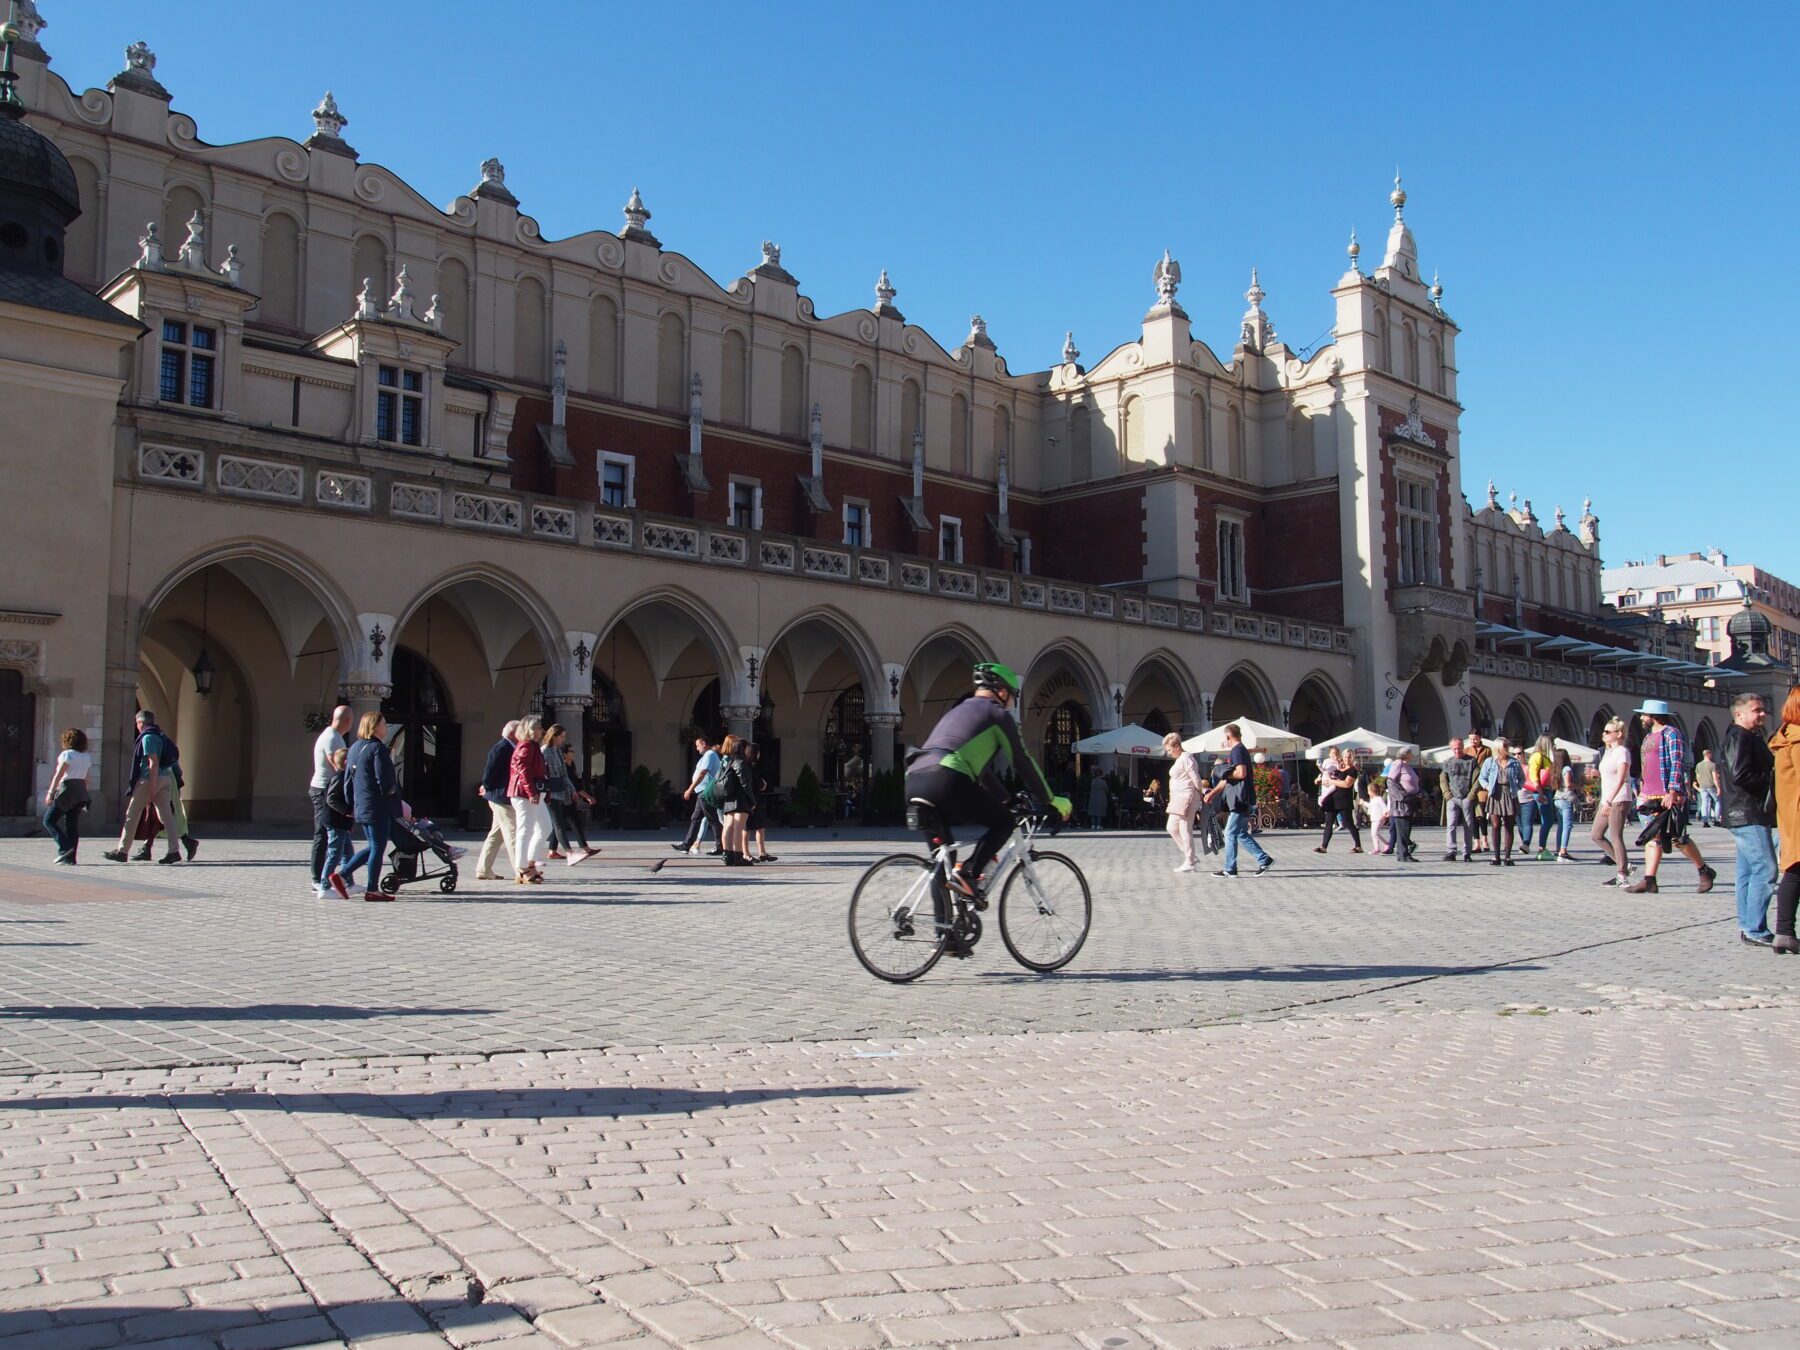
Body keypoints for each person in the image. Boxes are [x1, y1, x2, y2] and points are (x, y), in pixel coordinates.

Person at [902, 662, 1069, 907]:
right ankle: (969, 874)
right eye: (1013, 696)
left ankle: (946, 940)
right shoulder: (997, 715)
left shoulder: (958, 711)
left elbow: (982, 774)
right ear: (1002, 692)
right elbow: (1022, 761)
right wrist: (1051, 800)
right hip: (946, 777)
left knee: (943, 861)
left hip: (915, 777)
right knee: (1004, 823)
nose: (1012, 702)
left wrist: (1007, 800)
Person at [1625, 700, 1716, 895]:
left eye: (1644, 714)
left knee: (1677, 838)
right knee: (1652, 836)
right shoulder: (1649, 736)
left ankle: (1704, 871)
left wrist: (1673, 791)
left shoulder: (1671, 734)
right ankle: (1649, 879)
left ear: (1653, 715)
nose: (1641, 718)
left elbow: (1677, 763)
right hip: (1649, 793)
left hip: (1666, 793)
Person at [1721, 692, 1776, 947]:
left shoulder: (1747, 736)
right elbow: (1740, 774)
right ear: (1740, 713)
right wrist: (1771, 782)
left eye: (1763, 710)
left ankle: (1747, 924)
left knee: (1747, 872)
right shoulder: (1740, 736)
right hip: (1747, 812)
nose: (1762, 714)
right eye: (1757, 710)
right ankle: (1755, 927)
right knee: (1766, 869)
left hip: (1743, 811)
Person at [339, 711, 402, 901]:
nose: (386, 727)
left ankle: (343, 875)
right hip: (378, 806)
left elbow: (348, 780)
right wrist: (395, 797)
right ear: (374, 727)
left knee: (374, 845)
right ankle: (371, 888)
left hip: (362, 804)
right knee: (377, 846)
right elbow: (384, 779)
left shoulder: (355, 748)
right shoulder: (377, 748)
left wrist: (350, 805)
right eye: (383, 724)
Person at [104, 711, 180, 863]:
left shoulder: (148, 737)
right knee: (166, 816)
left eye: (137, 723)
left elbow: (153, 762)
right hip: (165, 778)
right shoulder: (160, 735)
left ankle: (122, 851)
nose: (137, 726)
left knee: (132, 814)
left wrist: (151, 788)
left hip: (150, 779)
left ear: (141, 723)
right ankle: (174, 850)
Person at [1204, 724, 1274, 878]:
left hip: (1240, 798)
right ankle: (1264, 859)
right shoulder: (1240, 750)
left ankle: (1230, 868)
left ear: (1228, 736)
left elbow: (1241, 773)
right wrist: (1213, 792)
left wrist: (1224, 772)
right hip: (1243, 797)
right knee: (1241, 833)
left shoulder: (1237, 750)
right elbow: (1227, 779)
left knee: (1229, 833)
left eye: (1225, 738)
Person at [309, 705, 353, 895]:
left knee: (339, 835)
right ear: (348, 721)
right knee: (323, 834)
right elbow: (335, 762)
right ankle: (318, 879)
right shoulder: (332, 738)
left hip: (327, 789)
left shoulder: (333, 736)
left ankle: (346, 879)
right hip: (324, 790)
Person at [1769, 686, 1800, 955]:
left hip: (1792, 816)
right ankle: (1784, 931)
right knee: (1795, 873)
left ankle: (1784, 932)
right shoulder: (1798, 740)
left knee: (1795, 871)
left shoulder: (1786, 737)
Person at [542, 724, 599, 865]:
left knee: (558, 823)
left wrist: (571, 789)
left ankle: (555, 851)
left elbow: (564, 774)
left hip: (560, 791)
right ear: (554, 736)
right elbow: (541, 772)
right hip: (549, 792)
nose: (563, 739)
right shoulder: (544, 751)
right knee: (558, 823)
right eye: (561, 736)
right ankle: (569, 853)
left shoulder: (556, 751)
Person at [1591, 718, 1635, 888]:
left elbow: (1622, 779)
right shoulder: (1608, 752)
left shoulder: (1622, 752)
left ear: (1619, 734)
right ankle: (1624, 864)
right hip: (1607, 799)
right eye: (1604, 731)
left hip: (1618, 799)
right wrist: (1598, 774)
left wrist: (1609, 800)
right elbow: (1609, 775)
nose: (1604, 734)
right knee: (1596, 834)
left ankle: (1622, 875)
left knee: (1616, 836)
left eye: (1608, 732)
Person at [475, 720, 521, 881]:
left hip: (502, 796)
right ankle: (521, 870)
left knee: (497, 834)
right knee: (513, 833)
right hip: (500, 797)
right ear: (512, 734)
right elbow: (490, 770)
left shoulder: (512, 747)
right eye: (520, 731)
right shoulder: (501, 747)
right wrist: (486, 786)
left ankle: (483, 868)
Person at [508, 714, 551, 884]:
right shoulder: (525, 746)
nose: (542, 730)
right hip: (524, 794)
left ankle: (530, 862)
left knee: (545, 827)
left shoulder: (532, 746)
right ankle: (522, 867)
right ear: (531, 729)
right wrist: (531, 792)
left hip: (533, 793)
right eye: (539, 727)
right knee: (524, 831)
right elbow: (523, 770)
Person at [42, 728, 92, 865]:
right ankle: (71, 858)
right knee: (71, 824)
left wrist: (50, 793)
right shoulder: (86, 756)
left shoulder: (67, 754)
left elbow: (59, 775)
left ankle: (65, 848)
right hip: (80, 790)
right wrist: (86, 796)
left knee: (49, 820)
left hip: (67, 789)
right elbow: (87, 778)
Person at [675, 735, 724, 856]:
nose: (697, 749)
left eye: (698, 745)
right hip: (702, 791)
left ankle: (720, 846)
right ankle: (687, 845)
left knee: (712, 819)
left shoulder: (709, 754)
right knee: (696, 818)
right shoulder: (709, 755)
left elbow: (703, 773)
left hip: (705, 791)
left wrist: (690, 789)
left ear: (703, 744)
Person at [1479, 739, 1524, 865]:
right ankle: (1496, 856)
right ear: (1498, 747)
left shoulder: (1514, 762)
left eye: (1508, 745)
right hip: (1495, 794)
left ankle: (1508, 857)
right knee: (1495, 825)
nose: (1508, 748)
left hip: (1509, 793)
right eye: (1505, 746)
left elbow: (1522, 778)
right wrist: (1487, 787)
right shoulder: (1490, 762)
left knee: (1509, 826)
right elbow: (1482, 777)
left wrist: (1518, 787)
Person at [1162, 732, 1202, 872]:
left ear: (1177, 746)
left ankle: (1189, 861)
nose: (1169, 753)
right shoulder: (1179, 758)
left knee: (1185, 829)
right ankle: (1190, 856)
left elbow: (1195, 778)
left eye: (1170, 750)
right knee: (1171, 827)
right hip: (1178, 799)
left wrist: (1200, 793)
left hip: (1187, 797)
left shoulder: (1186, 757)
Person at [715, 734, 757, 866]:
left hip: (729, 798)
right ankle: (739, 856)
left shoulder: (730, 762)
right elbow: (745, 784)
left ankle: (728, 855)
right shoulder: (741, 763)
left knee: (728, 827)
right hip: (740, 799)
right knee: (739, 827)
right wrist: (752, 800)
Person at [320, 746, 354, 897]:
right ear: (346, 762)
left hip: (342, 823)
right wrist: (347, 811)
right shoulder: (339, 778)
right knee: (334, 854)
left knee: (348, 853)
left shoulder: (345, 777)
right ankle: (324, 887)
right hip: (335, 822)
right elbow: (331, 799)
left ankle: (348, 883)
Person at [1315, 748, 1362, 854]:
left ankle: (1358, 846)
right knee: (1328, 823)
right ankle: (1323, 847)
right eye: (1345, 756)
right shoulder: (1339, 768)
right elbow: (1328, 777)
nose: (1347, 759)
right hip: (1333, 800)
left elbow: (1346, 784)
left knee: (1349, 823)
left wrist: (1332, 781)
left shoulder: (1353, 770)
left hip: (1344, 801)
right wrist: (1321, 780)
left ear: (1352, 757)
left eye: (1349, 757)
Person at [1441, 738, 1477, 861]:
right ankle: (1451, 851)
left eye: (1459, 748)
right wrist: (1447, 795)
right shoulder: (1447, 762)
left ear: (1463, 747)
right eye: (1454, 748)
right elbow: (1443, 779)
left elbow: (1477, 779)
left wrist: (1471, 795)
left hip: (1467, 797)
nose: (1457, 751)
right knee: (1451, 825)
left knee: (1468, 825)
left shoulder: (1472, 761)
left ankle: (1467, 852)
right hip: (1452, 798)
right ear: (1451, 749)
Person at [1520, 735, 1555, 861]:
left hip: (1545, 790)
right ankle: (1541, 848)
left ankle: (1542, 847)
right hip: (1541, 791)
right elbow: (1534, 775)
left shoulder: (1545, 757)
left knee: (1548, 820)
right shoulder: (1537, 756)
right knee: (1547, 820)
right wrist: (1540, 792)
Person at [744, 743, 777, 863]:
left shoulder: (754, 766)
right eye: (757, 752)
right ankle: (745, 853)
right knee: (746, 828)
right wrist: (760, 785)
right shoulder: (746, 766)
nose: (759, 755)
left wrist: (762, 784)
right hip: (749, 800)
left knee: (760, 826)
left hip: (756, 799)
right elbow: (748, 784)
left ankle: (762, 852)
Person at [1388, 747, 1422, 862]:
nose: (1412, 755)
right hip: (1401, 803)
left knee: (1406, 829)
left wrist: (1418, 792)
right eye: (1411, 753)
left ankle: (1402, 853)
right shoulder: (1398, 764)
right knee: (1403, 828)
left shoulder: (1407, 766)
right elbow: (1391, 781)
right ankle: (1404, 854)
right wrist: (1402, 796)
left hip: (1411, 801)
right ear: (1406, 754)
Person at [1466, 731, 1493, 854]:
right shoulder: (1467, 750)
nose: (1473, 742)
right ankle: (1476, 842)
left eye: (1475, 739)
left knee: (1481, 814)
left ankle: (1485, 839)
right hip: (1471, 787)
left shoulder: (1487, 750)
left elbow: (1491, 767)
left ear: (1480, 738)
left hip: (1482, 787)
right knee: (1473, 816)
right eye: (1471, 739)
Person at [1551, 748, 1579, 861]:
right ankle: (1563, 851)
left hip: (1557, 798)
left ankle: (1558, 849)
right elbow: (1568, 785)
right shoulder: (1567, 768)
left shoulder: (1555, 770)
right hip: (1565, 799)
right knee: (1567, 826)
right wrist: (1578, 786)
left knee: (1561, 826)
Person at [1364, 772, 1391, 855]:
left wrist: (1385, 813)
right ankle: (1385, 844)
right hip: (1374, 818)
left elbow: (1384, 807)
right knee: (1375, 833)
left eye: (1368, 791)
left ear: (1371, 792)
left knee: (1374, 833)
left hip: (1379, 818)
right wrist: (1363, 803)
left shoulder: (1379, 799)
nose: (1368, 793)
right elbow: (1370, 806)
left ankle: (1378, 848)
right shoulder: (1373, 800)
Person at [1693, 748, 1721, 827]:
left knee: (1705, 803)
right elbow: (1715, 777)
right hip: (1711, 786)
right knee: (1717, 801)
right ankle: (1716, 819)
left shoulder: (1698, 765)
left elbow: (1697, 777)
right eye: (1711, 754)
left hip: (1702, 786)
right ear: (1708, 754)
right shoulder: (1712, 765)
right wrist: (1718, 787)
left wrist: (1700, 784)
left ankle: (1705, 820)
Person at [1085, 765, 1110, 831]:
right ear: (1101, 774)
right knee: (1099, 813)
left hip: (1093, 798)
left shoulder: (1093, 781)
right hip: (1101, 798)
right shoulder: (1103, 782)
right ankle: (1099, 825)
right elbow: (1107, 789)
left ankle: (1093, 825)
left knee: (1093, 812)